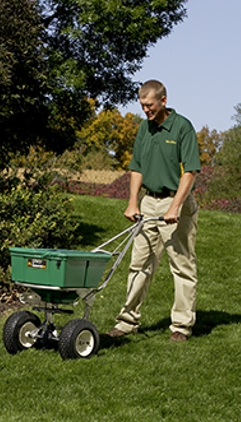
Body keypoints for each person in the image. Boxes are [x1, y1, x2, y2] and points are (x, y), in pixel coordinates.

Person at [107, 79, 201, 343]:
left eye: (149, 106)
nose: (146, 111)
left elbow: (191, 171)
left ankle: (181, 327)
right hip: (149, 202)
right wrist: (133, 202)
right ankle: (126, 322)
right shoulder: (144, 128)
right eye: (142, 106)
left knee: (181, 266)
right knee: (139, 263)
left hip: (176, 203)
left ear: (163, 101)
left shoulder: (182, 127)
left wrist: (175, 206)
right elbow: (136, 167)